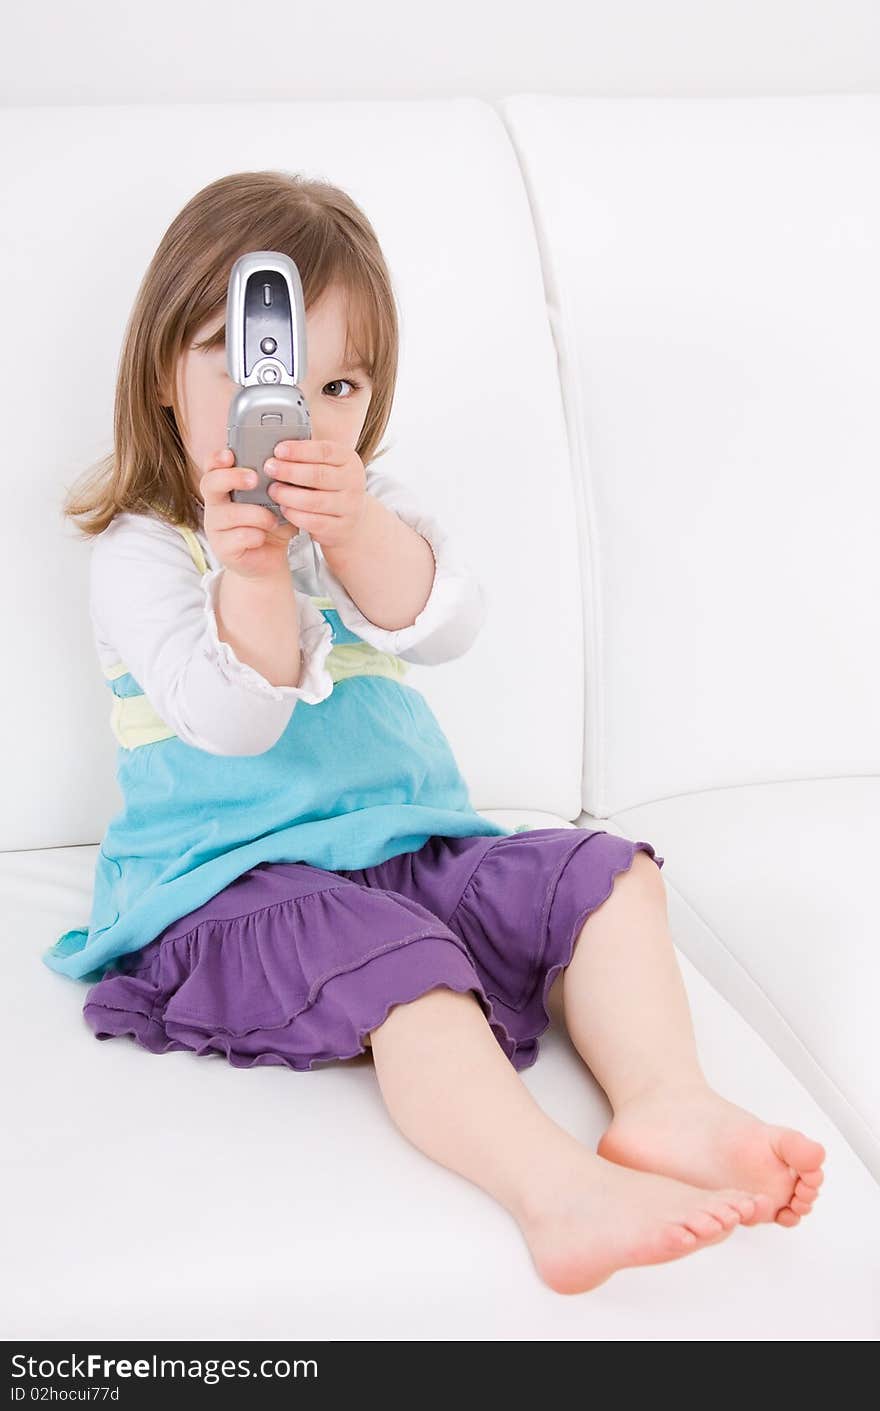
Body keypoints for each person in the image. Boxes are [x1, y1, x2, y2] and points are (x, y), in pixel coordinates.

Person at [46, 170, 825, 1295]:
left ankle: (669, 1104)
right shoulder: (145, 549)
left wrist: (352, 525)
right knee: (402, 969)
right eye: (253, 364)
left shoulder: (371, 507)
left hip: (407, 852)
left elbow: (441, 623)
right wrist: (251, 573)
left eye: (338, 381)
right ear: (166, 372)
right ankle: (555, 1193)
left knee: (604, 874)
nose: (294, 409)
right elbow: (228, 720)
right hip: (232, 883)